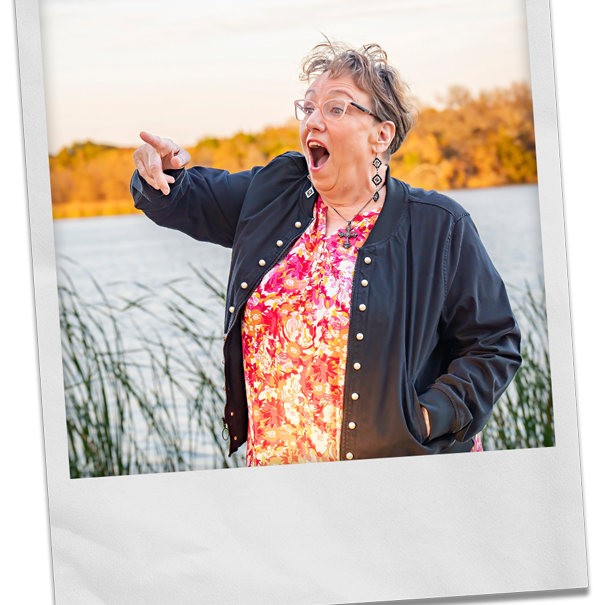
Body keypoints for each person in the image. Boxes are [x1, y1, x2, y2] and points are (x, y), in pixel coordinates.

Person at [130, 40, 521, 465]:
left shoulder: (439, 225)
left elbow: (493, 343)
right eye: (308, 107)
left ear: (381, 135)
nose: (313, 121)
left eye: (335, 108)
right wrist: (160, 170)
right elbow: (181, 198)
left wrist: (428, 418)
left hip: (399, 476)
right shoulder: (273, 193)